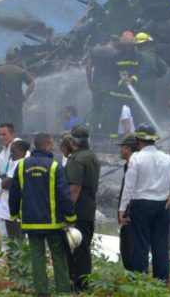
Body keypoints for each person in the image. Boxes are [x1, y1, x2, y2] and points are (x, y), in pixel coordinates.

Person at [119, 124, 170, 283]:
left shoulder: (136, 158)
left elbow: (129, 187)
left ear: (139, 141)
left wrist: (122, 209)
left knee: (141, 245)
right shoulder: (166, 157)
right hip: (162, 206)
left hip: (141, 205)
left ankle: (140, 282)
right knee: (160, 246)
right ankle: (161, 282)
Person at [9, 133, 76, 296]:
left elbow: (14, 192)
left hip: (31, 223)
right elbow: (64, 195)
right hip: (53, 223)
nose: (53, 146)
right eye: (52, 143)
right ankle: (63, 291)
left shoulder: (22, 166)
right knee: (59, 257)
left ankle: (42, 292)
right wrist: (71, 217)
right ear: (46, 146)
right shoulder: (54, 167)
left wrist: (14, 214)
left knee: (37, 258)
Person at [65, 125, 100, 292]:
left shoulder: (77, 159)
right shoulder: (92, 156)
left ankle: (78, 285)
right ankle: (83, 283)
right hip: (88, 209)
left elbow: (74, 189)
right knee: (84, 248)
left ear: (73, 142)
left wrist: (66, 212)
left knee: (77, 249)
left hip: (77, 211)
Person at [102, 31, 142, 135]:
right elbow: (110, 73)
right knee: (113, 116)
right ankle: (113, 141)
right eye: (125, 45)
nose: (127, 47)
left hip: (133, 93)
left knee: (138, 116)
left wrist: (133, 78)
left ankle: (140, 140)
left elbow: (142, 70)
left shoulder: (138, 56)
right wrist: (120, 82)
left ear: (133, 45)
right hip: (117, 93)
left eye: (129, 45)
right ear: (122, 45)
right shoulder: (115, 56)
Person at [0, 51, 35, 133]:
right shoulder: (21, 71)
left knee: (4, 124)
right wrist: (26, 96)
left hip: (2, 99)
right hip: (16, 100)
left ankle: (4, 142)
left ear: (6, 59)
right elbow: (32, 83)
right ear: (15, 59)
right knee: (17, 123)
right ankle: (16, 142)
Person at [0, 123, 23, 248]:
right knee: (7, 235)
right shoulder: (1, 154)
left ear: (12, 134)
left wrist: (5, 183)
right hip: (6, 196)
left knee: (18, 235)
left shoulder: (19, 147)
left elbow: (11, 178)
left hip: (18, 195)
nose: (1, 137)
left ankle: (21, 263)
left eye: (4, 134)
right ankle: (12, 263)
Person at [85, 36, 119, 131]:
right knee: (107, 109)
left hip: (96, 85)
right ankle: (105, 132)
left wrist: (89, 82)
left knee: (96, 108)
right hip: (110, 86)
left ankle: (92, 130)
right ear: (114, 41)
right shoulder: (117, 54)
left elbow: (88, 67)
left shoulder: (95, 50)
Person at [115, 134, 138, 270]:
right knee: (126, 246)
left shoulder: (133, 165)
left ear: (128, 149)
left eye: (122, 147)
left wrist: (123, 211)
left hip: (131, 213)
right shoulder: (127, 166)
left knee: (129, 246)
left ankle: (134, 275)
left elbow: (129, 191)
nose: (120, 151)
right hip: (129, 211)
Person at [135, 32, 168, 110]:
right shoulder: (154, 56)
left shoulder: (134, 56)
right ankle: (147, 121)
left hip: (138, 86)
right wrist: (155, 76)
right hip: (152, 85)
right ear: (147, 44)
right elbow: (164, 69)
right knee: (150, 106)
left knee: (138, 106)